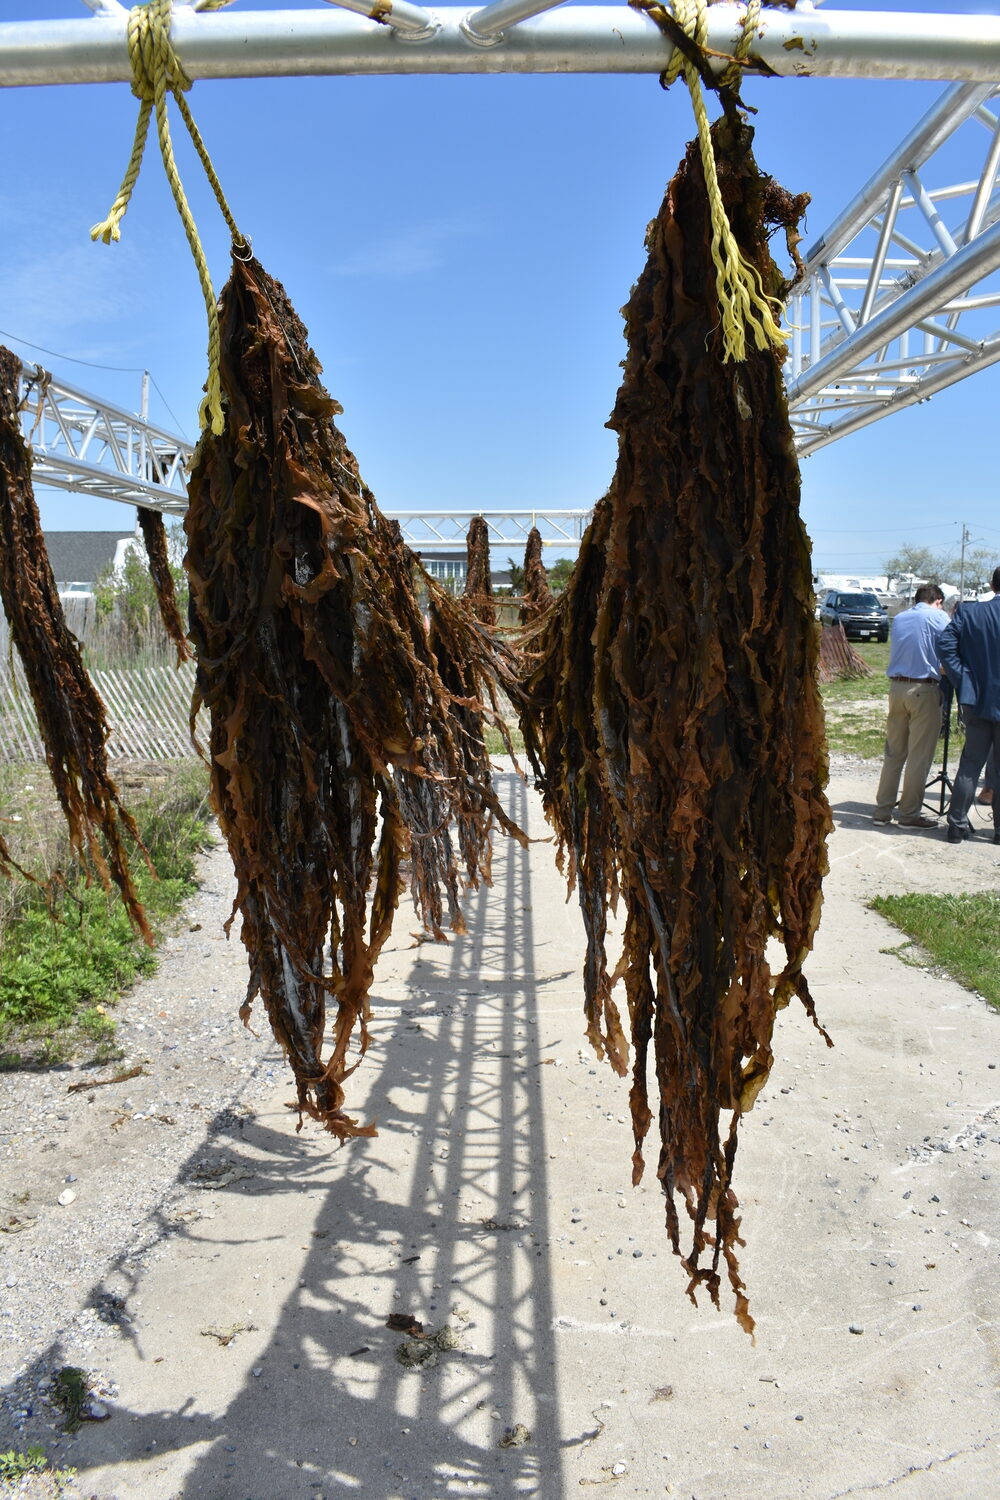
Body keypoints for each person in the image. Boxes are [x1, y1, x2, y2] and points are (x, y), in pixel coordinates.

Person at [872, 584, 947, 828]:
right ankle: (908, 814)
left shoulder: (901, 617)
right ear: (937, 600)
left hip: (897, 688)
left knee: (894, 754)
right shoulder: (939, 616)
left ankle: (882, 811)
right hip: (923, 688)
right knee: (919, 756)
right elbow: (949, 648)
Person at [936, 565, 1000, 845]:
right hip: (979, 697)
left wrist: (963, 678)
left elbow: (945, 645)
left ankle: (956, 826)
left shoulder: (971, 612)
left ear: (992, 584)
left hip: (976, 699)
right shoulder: (970, 612)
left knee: (970, 764)